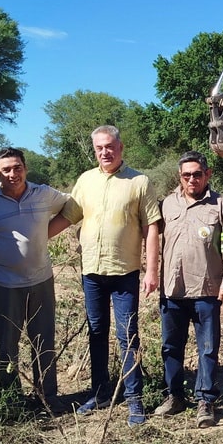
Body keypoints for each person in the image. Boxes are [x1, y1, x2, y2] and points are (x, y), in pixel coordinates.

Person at [0, 147, 82, 414]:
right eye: (6, 169)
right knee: (7, 343)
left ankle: (47, 397)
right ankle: (10, 400)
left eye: (17, 167)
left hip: (41, 279)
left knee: (44, 340)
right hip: (4, 283)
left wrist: (46, 234)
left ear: (25, 168)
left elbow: (71, 206)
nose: (12, 174)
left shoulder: (43, 194)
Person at [69, 125, 161, 427]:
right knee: (96, 333)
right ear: (94, 150)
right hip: (92, 273)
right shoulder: (85, 180)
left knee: (127, 336)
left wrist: (151, 271)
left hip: (124, 272)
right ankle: (100, 393)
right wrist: (34, 235)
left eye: (109, 146)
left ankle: (134, 398)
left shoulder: (139, 181)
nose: (104, 152)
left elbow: (151, 227)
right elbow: (68, 215)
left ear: (120, 147)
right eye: (99, 148)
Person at [153, 151, 223, 428]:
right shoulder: (167, 205)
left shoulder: (220, 206)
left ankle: (205, 400)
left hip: (207, 290)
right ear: (179, 177)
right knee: (170, 347)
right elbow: (146, 235)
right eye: (186, 175)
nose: (191, 179)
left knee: (207, 349)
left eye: (197, 174)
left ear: (208, 174)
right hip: (172, 291)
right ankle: (174, 396)